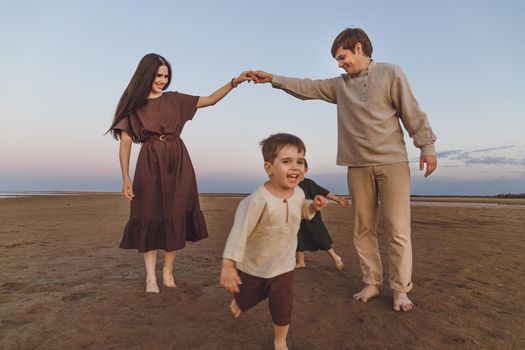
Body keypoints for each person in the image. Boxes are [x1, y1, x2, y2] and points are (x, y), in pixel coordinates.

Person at [250, 28, 438, 312]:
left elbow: (411, 110)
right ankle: (372, 282)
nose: (340, 64)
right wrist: (273, 79)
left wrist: (427, 146)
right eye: (338, 60)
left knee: (397, 228)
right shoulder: (340, 85)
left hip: (392, 163)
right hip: (357, 166)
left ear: (359, 47)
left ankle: (400, 289)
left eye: (342, 57)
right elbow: (307, 87)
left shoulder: (390, 73)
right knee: (363, 227)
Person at [108, 53, 251, 293]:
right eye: (158, 75)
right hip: (150, 162)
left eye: (166, 76)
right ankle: (150, 277)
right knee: (148, 214)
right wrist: (125, 178)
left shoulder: (175, 100)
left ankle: (168, 271)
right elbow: (124, 143)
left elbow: (211, 100)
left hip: (179, 161)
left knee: (174, 213)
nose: (163, 80)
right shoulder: (134, 105)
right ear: (146, 75)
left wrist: (234, 82)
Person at [220, 133, 328, 350]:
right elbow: (238, 234)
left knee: (282, 307)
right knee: (246, 298)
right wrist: (228, 266)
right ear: (269, 168)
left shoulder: (298, 193)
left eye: (300, 161)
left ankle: (280, 341)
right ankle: (239, 300)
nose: (295, 167)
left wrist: (313, 207)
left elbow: (303, 212)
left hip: (284, 266)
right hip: (254, 266)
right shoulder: (256, 201)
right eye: (286, 161)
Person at [295, 160, 349, 270]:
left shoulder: (308, 183)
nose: (296, 168)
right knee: (298, 240)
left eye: (300, 166)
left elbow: (323, 192)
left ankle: (336, 258)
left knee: (320, 238)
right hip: (297, 218)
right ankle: (301, 262)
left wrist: (337, 199)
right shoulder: (291, 184)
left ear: (305, 170)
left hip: (312, 217)